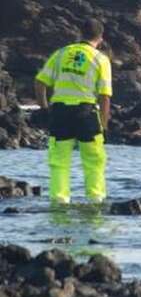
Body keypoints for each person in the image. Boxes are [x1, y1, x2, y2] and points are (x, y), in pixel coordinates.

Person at [34, 18, 112, 205]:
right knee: (94, 161)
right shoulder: (100, 59)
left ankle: (59, 203)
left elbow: (39, 82)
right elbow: (105, 96)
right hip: (86, 114)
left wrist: (44, 109)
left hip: (60, 113)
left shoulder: (61, 54)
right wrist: (104, 125)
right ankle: (96, 202)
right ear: (100, 38)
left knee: (59, 162)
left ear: (80, 34)